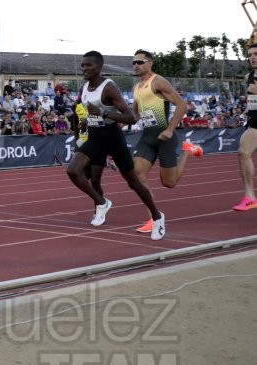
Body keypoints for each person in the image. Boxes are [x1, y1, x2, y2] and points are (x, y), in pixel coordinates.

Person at [65, 51, 165, 240]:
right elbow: (90, 111)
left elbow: (130, 117)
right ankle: (101, 202)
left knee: (133, 182)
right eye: (83, 65)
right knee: (73, 171)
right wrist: (87, 120)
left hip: (112, 138)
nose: (84, 69)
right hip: (95, 138)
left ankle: (158, 217)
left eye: (88, 65)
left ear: (99, 67)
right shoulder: (85, 87)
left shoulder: (108, 87)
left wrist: (102, 114)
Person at [130, 49, 203, 232]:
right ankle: (154, 218)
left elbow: (181, 105)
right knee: (138, 176)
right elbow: (136, 114)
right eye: (134, 62)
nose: (136, 65)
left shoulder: (158, 81)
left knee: (169, 183)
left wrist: (170, 129)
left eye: (140, 62)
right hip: (147, 137)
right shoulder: (137, 87)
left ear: (150, 63)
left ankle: (187, 149)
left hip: (164, 137)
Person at [232, 42, 257, 211]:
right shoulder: (249, 77)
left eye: (256, 54)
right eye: (250, 55)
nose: (252, 58)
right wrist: (247, 109)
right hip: (255, 122)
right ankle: (250, 196)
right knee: (243, 152)